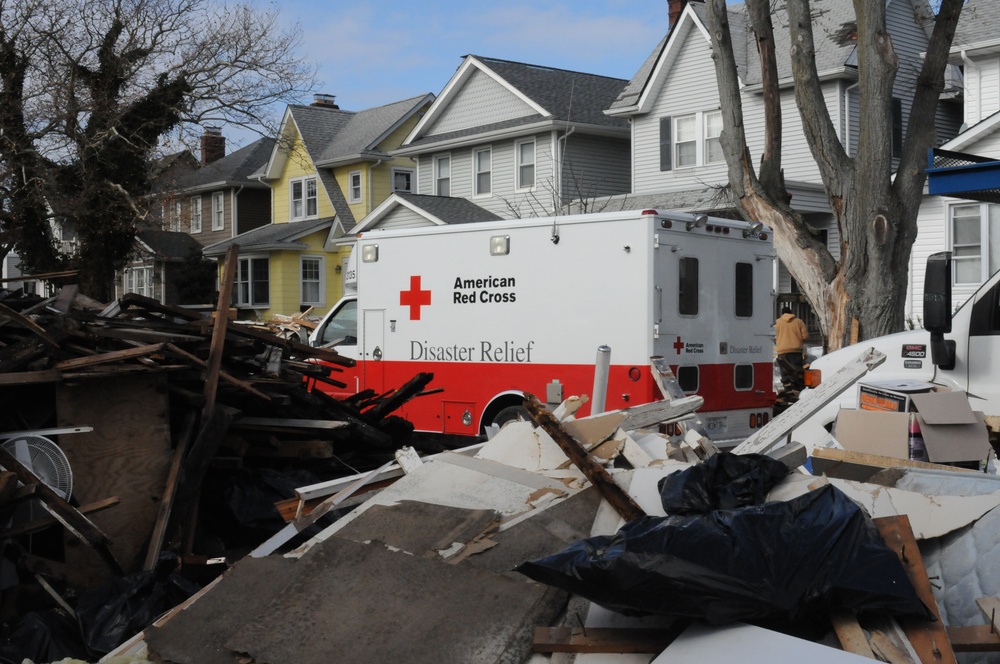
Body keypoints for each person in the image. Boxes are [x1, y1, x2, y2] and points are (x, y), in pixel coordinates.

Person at [774, 306, 808, 393]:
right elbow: (805, 336)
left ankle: (788, 390)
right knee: (797, 372)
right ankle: (799, 390)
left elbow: (773, 336)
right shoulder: (799, 322)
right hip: (796, 352)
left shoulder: (777, 323)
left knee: (785, 373)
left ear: (782, 314)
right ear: (791, 313)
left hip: (782, 352)